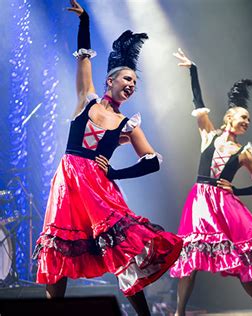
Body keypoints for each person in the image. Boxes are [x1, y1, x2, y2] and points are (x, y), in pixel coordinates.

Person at [33, 1, 182, 315]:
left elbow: (153, 160)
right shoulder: (85, 101)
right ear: (110, 80)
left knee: (120, 254)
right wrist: (85, 22)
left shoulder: (128, 124)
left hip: (100, 191)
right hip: (69, 185)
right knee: (60, 250)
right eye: (127, 79)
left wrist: (115, 173)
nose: (131, 85)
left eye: (135, 84)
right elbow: (84, 59)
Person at [170, 49, 252, 315]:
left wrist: (236, 189)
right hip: (200, 201)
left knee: (239, 263)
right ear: (229, 118)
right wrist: (193, 70)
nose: (247, 122)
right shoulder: (208, 135)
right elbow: (197, 102)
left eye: (249, 120)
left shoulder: (244, 152)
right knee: (191, 256)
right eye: (244, 117)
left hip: (224, 206)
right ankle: (179, 313)